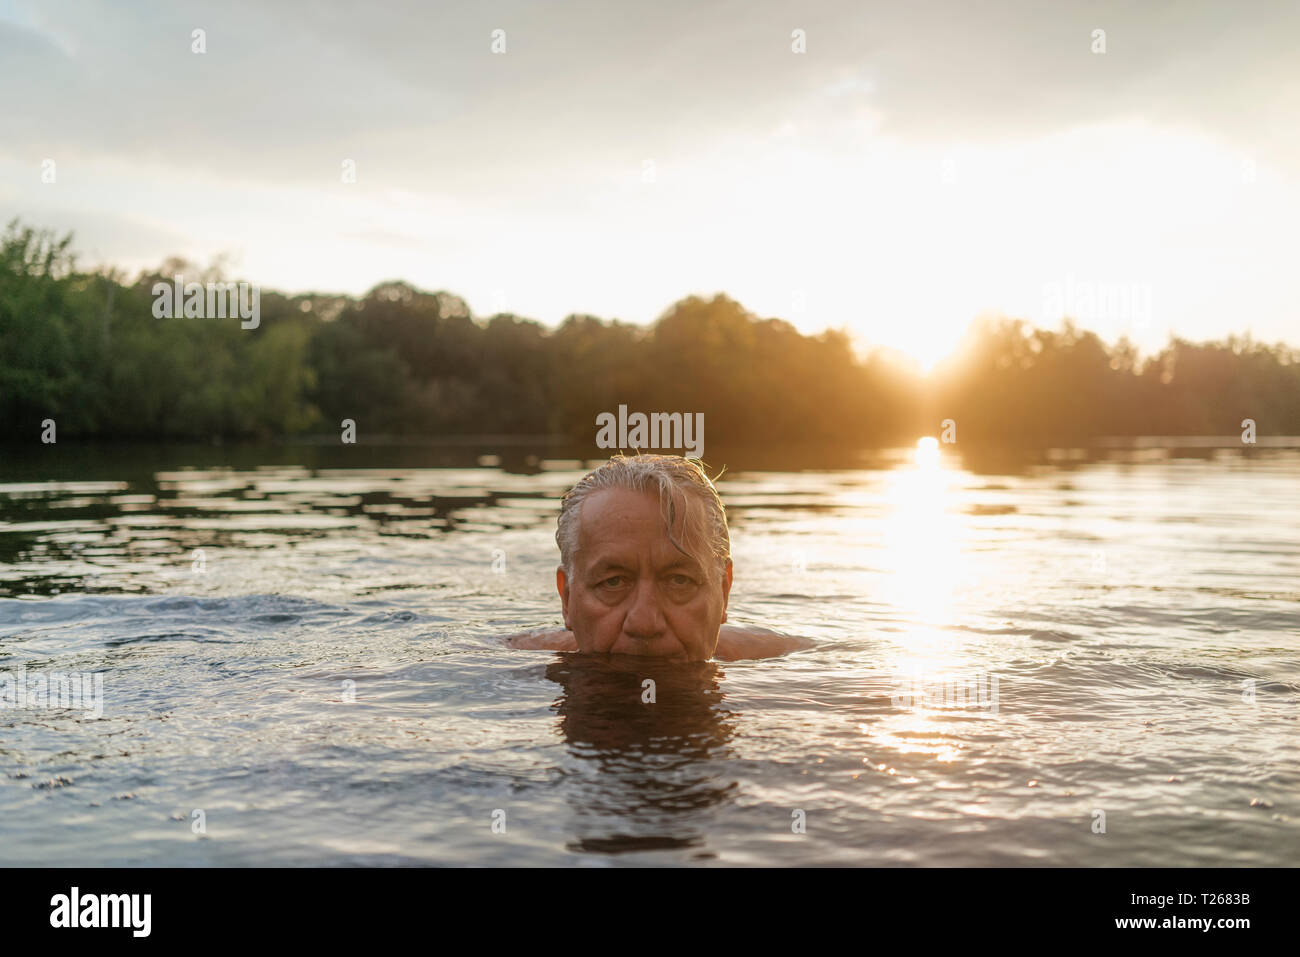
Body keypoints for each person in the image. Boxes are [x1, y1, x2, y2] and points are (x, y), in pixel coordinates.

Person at [506, 453, 813, 661]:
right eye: (613, 582)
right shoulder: (491, 661)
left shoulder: (809, 667)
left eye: (679, 581)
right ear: (567, 597)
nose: (644, 624)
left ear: (723, 592)